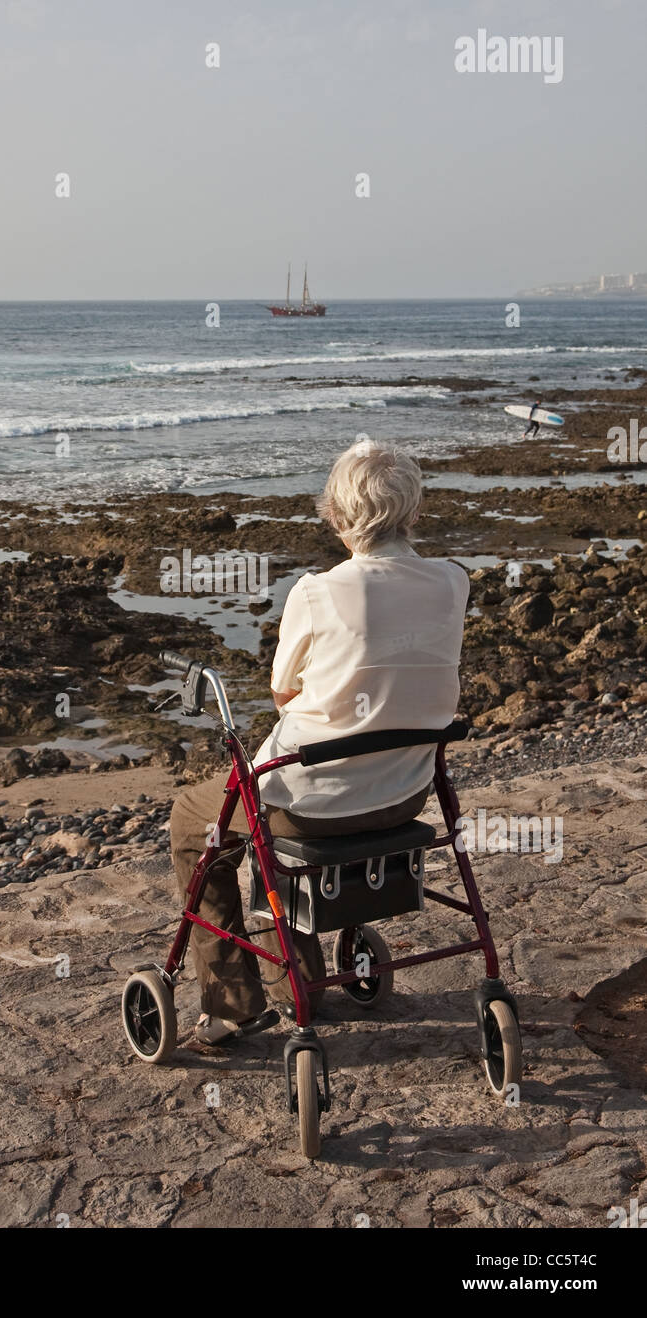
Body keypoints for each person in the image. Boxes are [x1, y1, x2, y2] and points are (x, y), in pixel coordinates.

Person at [170, 440, 470, 1044]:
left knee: (195, 820)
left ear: (335, 515)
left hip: (314, 807)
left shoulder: (317, 592)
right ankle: (298, 974)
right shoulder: (452, 583)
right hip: (405, 794)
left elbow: (284, 695)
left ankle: (234, 1001)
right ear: (414, 512)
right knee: (280, 813)